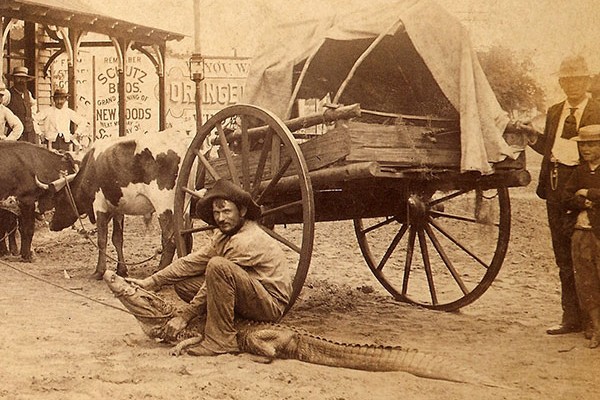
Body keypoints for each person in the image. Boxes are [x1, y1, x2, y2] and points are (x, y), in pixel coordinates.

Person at [127, 179, 291, 356]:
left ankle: (221, 340)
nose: (221, 218)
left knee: (217, 266)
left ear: (242, 211)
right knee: (183, 285)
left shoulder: (247, 239)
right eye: (217, 212)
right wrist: (151, 281)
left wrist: (184, 317)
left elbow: (217, 276)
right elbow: (191, 262)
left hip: (270, 304)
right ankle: (223, 320)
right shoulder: (224, 235)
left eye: (227, 211)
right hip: (249, 291)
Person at [529, 55, 600, 336]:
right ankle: (570, 318)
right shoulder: (555, 111)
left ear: (588, 81)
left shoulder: (597, 109)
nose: (573, 85)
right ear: (560, 83)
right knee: (563, 255)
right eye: (567, 80)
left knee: (592, 254)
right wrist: (530, 137)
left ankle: (593, 323)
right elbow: (549, 148)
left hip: (588, 188)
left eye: (578, 79)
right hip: (557, 188)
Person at [562, 124, 600, 348]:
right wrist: (582, 202)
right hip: (581, 232)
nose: (586, 149)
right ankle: (596, 328)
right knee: (586, 282)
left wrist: (588, 192)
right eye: (583, 144)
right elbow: (566, 196)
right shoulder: (579, 171)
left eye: (592, 144)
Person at [6, 66, 39, 144]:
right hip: (15, 134)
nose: (21, 81)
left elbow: (33, 105)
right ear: (14, 79)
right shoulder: (8, 94)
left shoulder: (28, 93)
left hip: (30, 133)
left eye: (24, 78)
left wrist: (32, 117)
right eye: (19, 78)